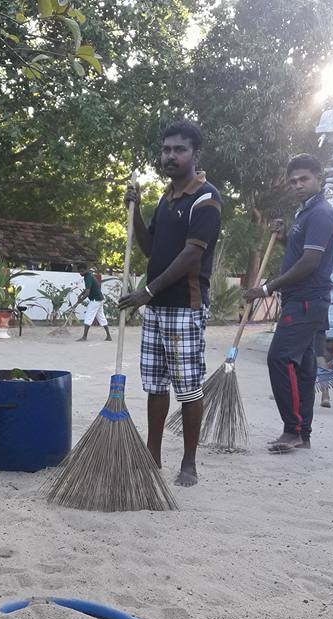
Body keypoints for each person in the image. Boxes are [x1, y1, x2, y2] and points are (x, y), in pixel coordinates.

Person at [119, 121, 223, 487]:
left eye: (179, 149)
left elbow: (192, 255)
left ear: (195, 154)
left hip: (184, 307)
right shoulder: (166, 199)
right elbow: (150, 249)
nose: (170, 156)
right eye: (166, 150)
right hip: (157, 308)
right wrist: (134, 211)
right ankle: (152, 456)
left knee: (188, 388)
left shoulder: (206, 199)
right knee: (155, 385)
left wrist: (146, 292)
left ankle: (189, 463)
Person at [245, 153, 333, 454]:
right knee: (305, 368)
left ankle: (292, 429)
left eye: (304, 179)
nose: (298, 185)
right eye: (293, 181)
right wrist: (285, 237)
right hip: (303, 300)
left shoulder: (321, 213)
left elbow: (310, 262)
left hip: (307, 300)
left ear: (319, 178)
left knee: (280, 358)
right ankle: (302, 434)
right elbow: (301, 252)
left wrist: (267, 287)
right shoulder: (305, 212)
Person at [75, 266, 112, 341]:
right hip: (99, 299)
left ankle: (84, 337)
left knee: (88, 316)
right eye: (79, 271)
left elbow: (87, 292)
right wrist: (81, 294)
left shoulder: (88, 277)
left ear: (86, 270)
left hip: (95, 300)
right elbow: (88, 288)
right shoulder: (88, 276)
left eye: (82, 271)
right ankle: (109, 336)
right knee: (101, 317)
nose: (80, 273)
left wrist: (80, 300)